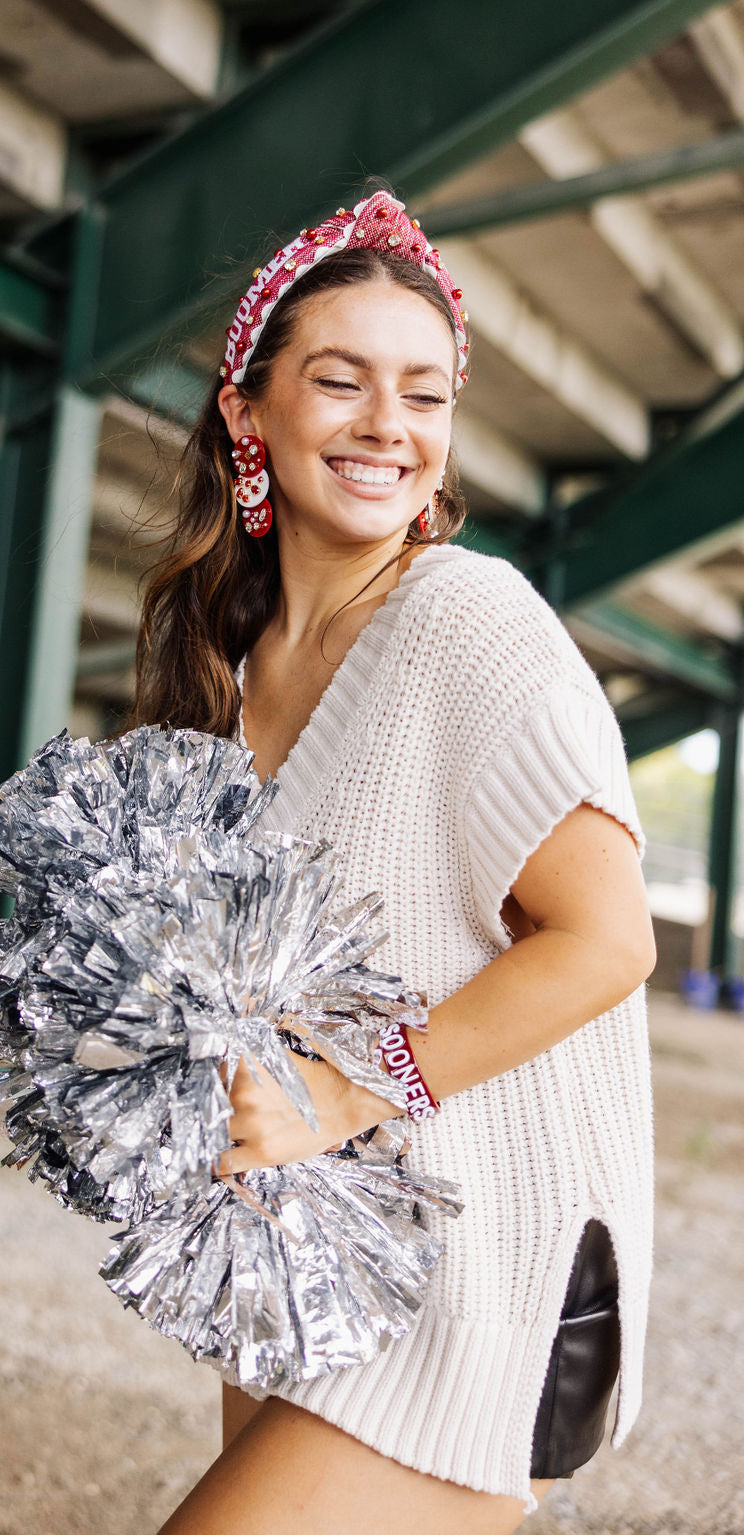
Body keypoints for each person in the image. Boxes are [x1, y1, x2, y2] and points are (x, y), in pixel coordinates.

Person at [133, 188, 656, 1535]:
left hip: (493, 1272)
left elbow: (606, 942)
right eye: (341, 380)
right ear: (250, 416)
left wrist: (344, 1090)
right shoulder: (239, 670)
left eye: (425, 395)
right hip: (315, 1260)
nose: (389, 426)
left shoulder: (471, 619)